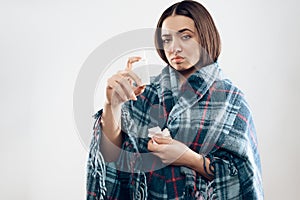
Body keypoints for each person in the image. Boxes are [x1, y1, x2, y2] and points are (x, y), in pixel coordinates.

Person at [86, 0, 264, 199]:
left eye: (186, 36)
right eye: (167, 39)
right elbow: (112, 155)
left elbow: (243, 176)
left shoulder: (231, 100)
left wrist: (188, 158)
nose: (174, 48)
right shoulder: (146, 92)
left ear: (205, 38)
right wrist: (112, 105)